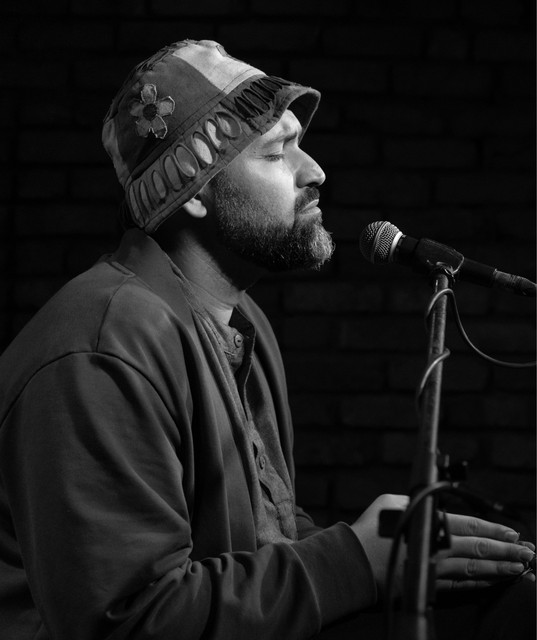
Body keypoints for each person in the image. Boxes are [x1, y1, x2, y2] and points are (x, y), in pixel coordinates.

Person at [0, 39, 534, 640]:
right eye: (278, 152)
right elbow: (131, 622)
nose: (315, 171)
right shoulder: (102, 351)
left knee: (512, 604)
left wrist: (400, 558)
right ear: (194, 190)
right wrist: (356, 562)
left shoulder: (239, 321)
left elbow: (267, 537)